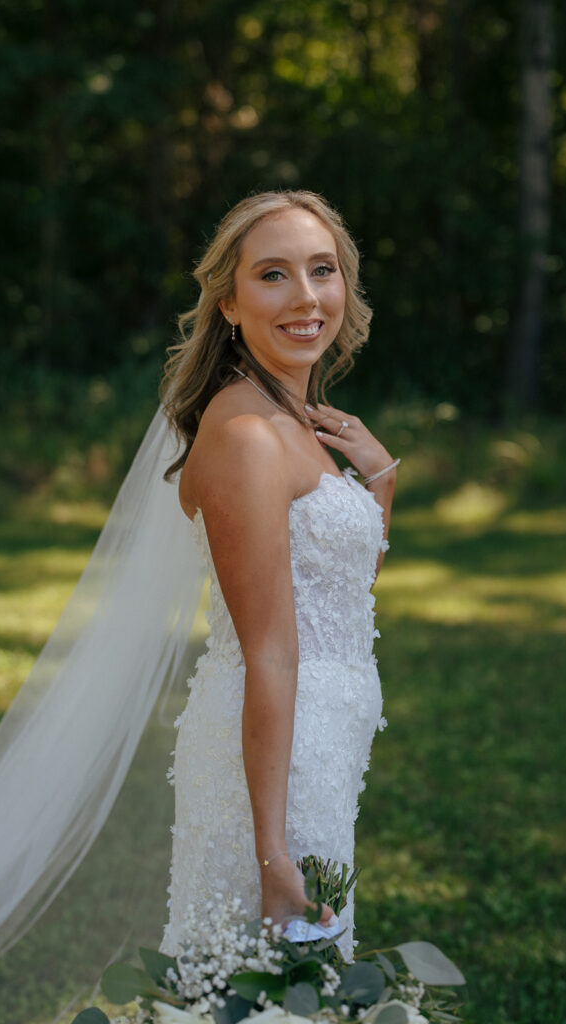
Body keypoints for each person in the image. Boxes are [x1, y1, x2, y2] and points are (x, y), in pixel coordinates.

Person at [156, 190, 399, 960]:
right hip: (271, 771)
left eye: (320, 270)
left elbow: (339, 596)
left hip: (321, 753)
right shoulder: (247, 438)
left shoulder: (298, 423)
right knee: (264, 984)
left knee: (305, 985)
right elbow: (270, 650)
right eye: (273, 275)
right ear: (228, 302)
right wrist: (272, 855)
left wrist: (379, 482)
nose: (305, 297)